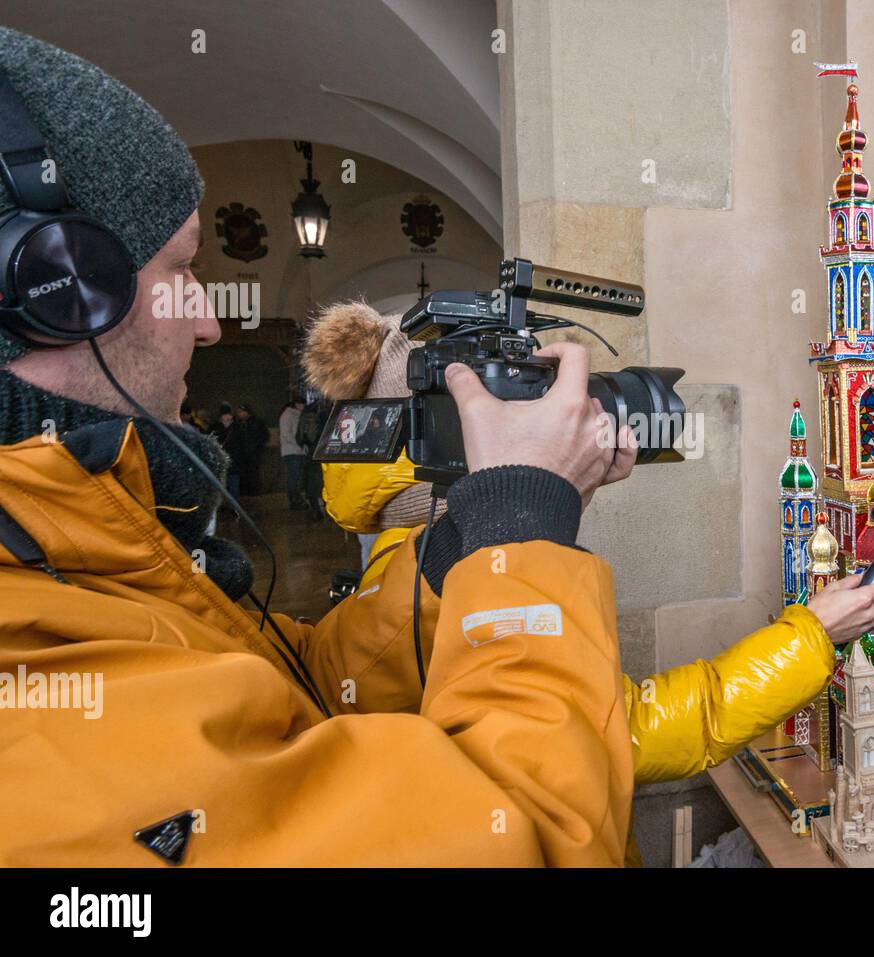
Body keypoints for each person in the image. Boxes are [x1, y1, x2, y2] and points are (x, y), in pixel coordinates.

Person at [0, 26, 642, 866]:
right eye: (182, 271)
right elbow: (525, 836)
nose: (206, 320)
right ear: (53, 289)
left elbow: (300, 685)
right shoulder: (40, 713)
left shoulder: (68, 554)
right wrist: (524, 526)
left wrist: (465, 546)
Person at [301, 298, 874, 867]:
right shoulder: (459, 576)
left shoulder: (413, 566)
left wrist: (546, 500)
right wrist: (814, 632)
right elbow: (624, 732)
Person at [230, 402, 269, 496]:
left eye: (241, 412)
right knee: (243, 474)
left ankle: (254, 492)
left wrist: (256, 446)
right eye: (238, 412)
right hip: (241, 455)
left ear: (247, 412)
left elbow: (265, 436)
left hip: (254, 454)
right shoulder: (237, 424)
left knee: (253, 474)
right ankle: (244, 492)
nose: (239, 414)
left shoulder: (257, 422)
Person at [279, 396, 309, 510]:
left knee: (296, 476)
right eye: (302, 404)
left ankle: (296, 499)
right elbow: (287, 434)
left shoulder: (295, 415)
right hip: (292, 451)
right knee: (294, 476)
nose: (304, 407)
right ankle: (294, 500)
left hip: (297, 451)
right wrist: (299, 444)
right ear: (297, 404)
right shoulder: (288, 415)